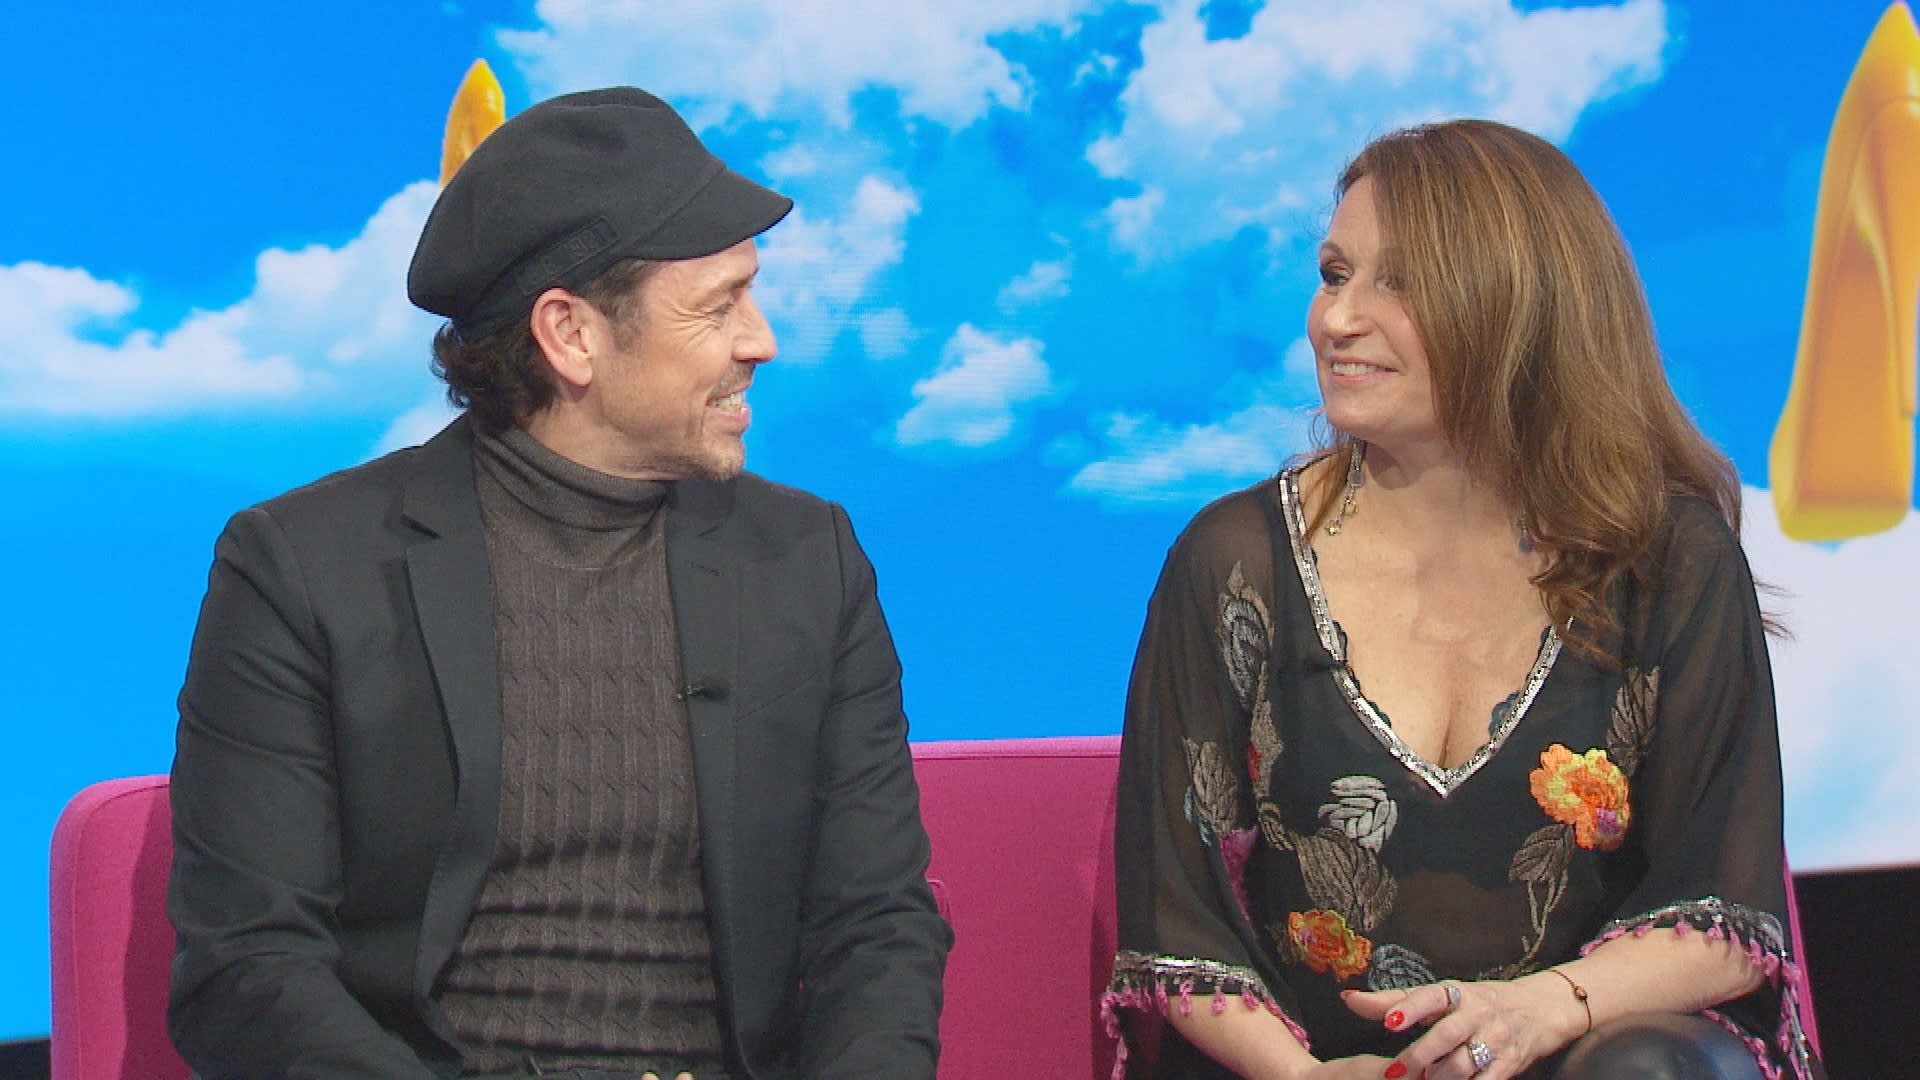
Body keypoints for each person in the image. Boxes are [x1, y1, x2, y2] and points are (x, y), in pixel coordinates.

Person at [166, 87, 950, 1080]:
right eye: (717, 306)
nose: (762, 341)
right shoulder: (302, 567)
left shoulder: (806, 558)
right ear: (570, 334)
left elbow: (876, 926)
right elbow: (248, 970)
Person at [1105, 119, 1822, 1080]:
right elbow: (1178, 927)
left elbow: (1724, 918)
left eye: (1398, 284)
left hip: (1585, 1042)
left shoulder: (1668, 562)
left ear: (1518, 307)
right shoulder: (1233, 563)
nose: (1336, 320)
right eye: (1334, 275)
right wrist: (1309, 1078)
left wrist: (1536, 1012)